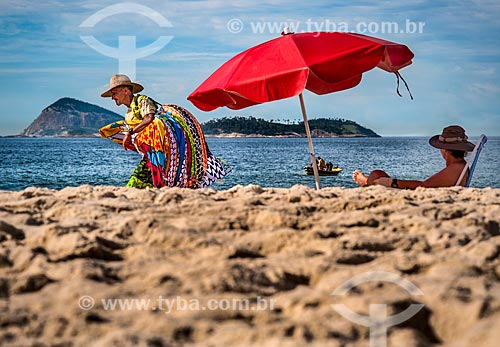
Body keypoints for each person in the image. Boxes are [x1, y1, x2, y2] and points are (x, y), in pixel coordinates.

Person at [99, 74, 230, 189]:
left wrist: (130, 132)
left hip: (162, 149)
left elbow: (149, 119)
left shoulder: (142, 100)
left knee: (152, 178)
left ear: (126, 91)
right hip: (151, 154)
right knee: (139, 182)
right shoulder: (129, 112)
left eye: (114, 93)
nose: (112, 97)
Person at [352, 125, 475, 189]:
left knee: (376, 175)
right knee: (377, 174)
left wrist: (392, 182)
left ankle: (367, 182)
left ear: (445, 150)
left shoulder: (456, 168)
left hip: (427, 201)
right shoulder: (460, 166)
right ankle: (368, 182)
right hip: (432, 194)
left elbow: (424, 186)